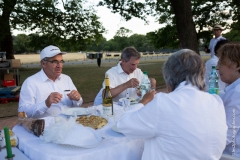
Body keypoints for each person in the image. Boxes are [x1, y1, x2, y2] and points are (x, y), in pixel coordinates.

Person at [117, 49, 227, 160]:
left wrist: (143, 102)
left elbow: (124, 125)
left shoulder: (163, 102)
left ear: (168, 75)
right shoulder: (216, 102)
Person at [19, 45, 83, 118]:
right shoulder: (30, 82)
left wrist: (77, 99)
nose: (59, 66)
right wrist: (46, 103)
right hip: (45, 127)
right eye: (55, 62)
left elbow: (78, 103)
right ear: (43, 64)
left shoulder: (66, 79)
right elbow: (23, 112)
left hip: (68, 124)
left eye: (61, 61)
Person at [216, 43, 240, 157]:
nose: (217, 67)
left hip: (232, 154)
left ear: (237, 65)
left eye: (221, 63)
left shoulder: (236, 93)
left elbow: (227, 135)